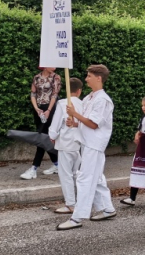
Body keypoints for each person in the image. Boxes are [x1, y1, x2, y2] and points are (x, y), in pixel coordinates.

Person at [57, 65, 116, 230]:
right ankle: (107, 208)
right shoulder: (90, 97)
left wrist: (75, 115)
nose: (86, 79)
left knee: (84, 179)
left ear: (99, 78)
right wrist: (74, 122)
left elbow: (94, 124)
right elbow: (86, 121)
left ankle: (77, 217)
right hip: (87, 142)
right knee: (95, 178)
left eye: (89, 76)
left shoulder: (102, 99)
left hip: (94, 144)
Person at [48, 78, 84, 214]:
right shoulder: (83, 104)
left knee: (66, 175)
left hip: (65, 142)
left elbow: (56, 123)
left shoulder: (63, 103)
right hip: (79, 142)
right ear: (79, 91)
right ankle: (81, 200)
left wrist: (52, 136)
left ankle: (70, 204)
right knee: (77, 174)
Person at [21, 67, 61, 179]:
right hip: (38, 110)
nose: (54, 66)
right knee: (44, 137)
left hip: (50, 109)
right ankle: (57, 164)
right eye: (51, 64)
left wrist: (48, 110)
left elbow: (54, 94)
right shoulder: (37, 77)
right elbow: (33, 94)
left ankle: (34, 168)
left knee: (42, 137)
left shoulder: (55, 77)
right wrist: (36, 108)